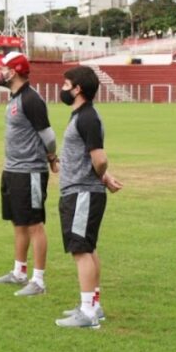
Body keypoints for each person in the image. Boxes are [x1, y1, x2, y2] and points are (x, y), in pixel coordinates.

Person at [55, 66, 122, 329]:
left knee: (81, 251)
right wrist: (103, 178)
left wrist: (100, 176)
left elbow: (100, 158)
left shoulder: (87, 118)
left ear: (77, 89)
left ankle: (88, 313)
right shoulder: (82, 116)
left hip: (82, 193)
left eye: (66, 83)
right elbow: (93, 161)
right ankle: (93, 306)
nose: (62, 88)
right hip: (83, 191)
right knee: (89, 249)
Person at [0, 52, 58, 297]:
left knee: (34, 224)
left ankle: (38, 280)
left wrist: (51, 158)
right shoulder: (14, 97)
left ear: (14, 71)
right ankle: (19, 272)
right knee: (18, 222)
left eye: (3, 68)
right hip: (12, 170)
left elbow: (48, 136)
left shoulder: (31, 99)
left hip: (30, 172)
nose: (0, 72)